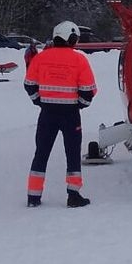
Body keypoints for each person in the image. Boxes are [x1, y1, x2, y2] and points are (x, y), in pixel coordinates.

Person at [23, 21, 96, 208]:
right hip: (70, 114)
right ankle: (73, 195)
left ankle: (33, 196)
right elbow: (88, 91)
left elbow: (29, 84)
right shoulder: (79, 60)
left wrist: (39, 101)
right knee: (72, 154)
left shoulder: (40, 58)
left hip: (47, 113)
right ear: (71, 38)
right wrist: (80, 105)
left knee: (41, 153)